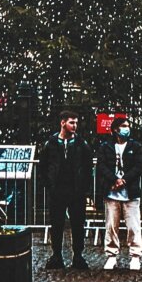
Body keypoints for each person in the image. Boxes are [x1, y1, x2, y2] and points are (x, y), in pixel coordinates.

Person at [36, 115, 92, 268]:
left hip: (76, 190)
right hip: (57, 189)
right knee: (56, 224)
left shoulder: (81, 144)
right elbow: (43, 165)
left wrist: (83, 187)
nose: (74, 126)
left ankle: (78, 256)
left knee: (78, 224)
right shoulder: (51, 144)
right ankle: (57, 255)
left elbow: (87, 167)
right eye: (71, 122)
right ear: (63, 123)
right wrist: (49, 184)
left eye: (76, 123)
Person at [95, 116, 142, 271]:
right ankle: (111, 255)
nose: (127, 128)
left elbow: (139, 166)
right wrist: (114, 180)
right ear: (116, 129)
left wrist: (124, 180)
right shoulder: (106, 147)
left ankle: (135, 256)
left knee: (133, 226)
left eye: (128, 126)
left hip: (130, 192)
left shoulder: (135, 146)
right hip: (111, 193)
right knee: (111, 225)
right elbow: (102, 166)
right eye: (123, 125)